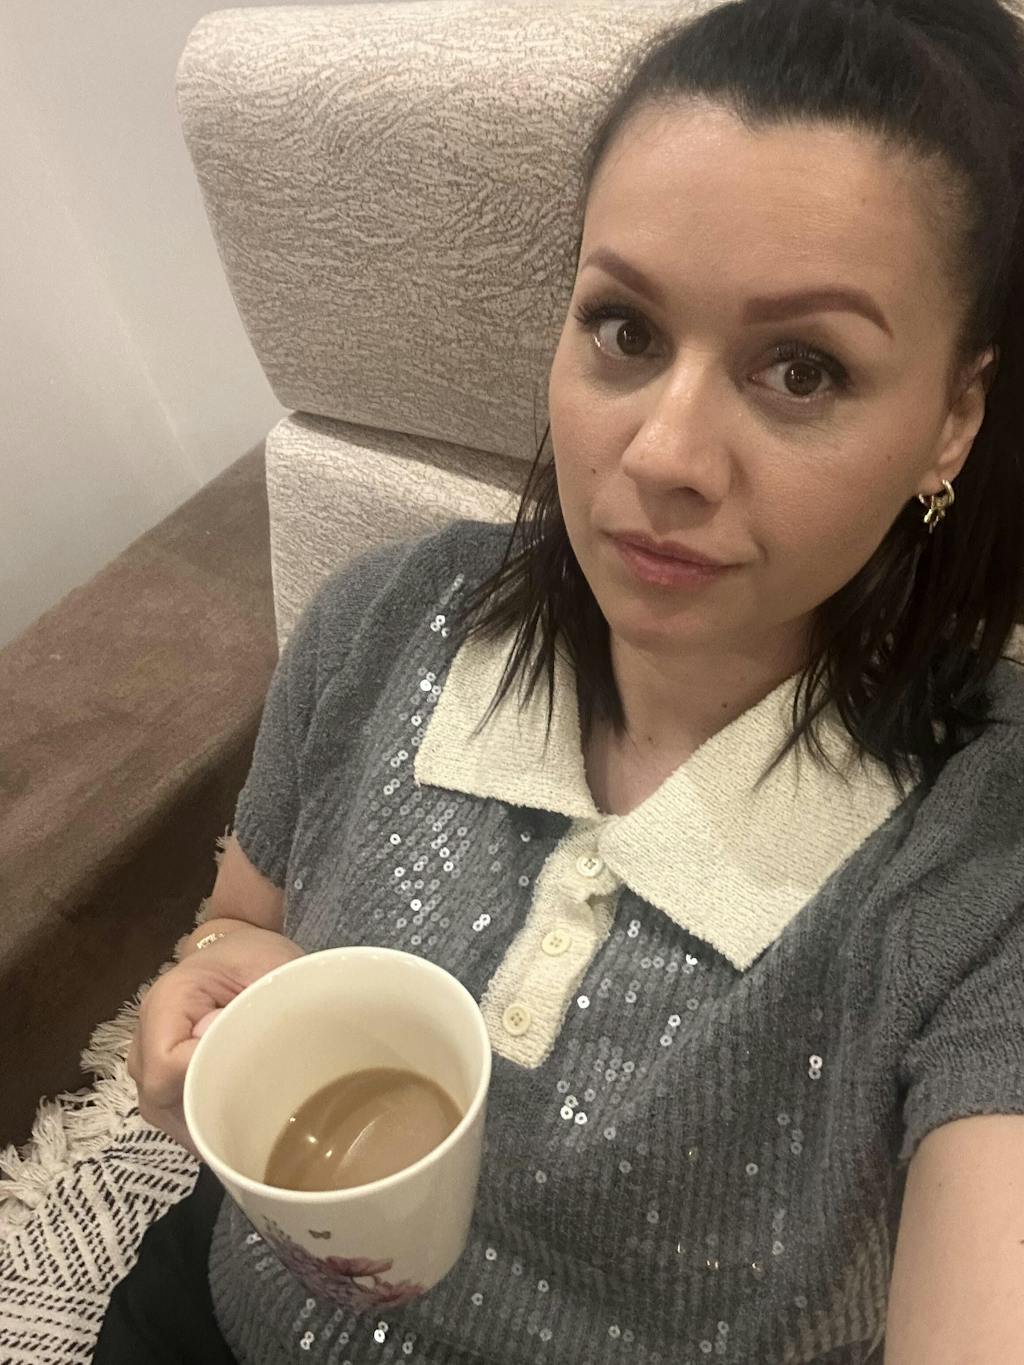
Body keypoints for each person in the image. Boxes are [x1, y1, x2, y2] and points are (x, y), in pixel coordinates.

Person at [93, 0, 1024, 1360]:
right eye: (626, 330)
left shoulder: (982, 855)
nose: (664, 455)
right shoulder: (383, 622)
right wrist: (211, 991)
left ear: (952, 417)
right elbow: (238, 921)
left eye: (802, 368)